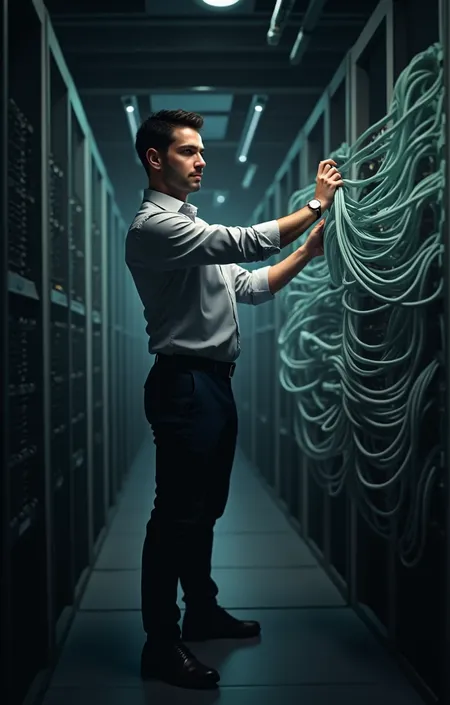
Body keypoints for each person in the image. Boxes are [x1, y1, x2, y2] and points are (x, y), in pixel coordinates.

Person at [125, 109, 343, 690]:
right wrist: (316, 205)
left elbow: (246, 286)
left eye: (201, 152)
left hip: (211, 386)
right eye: (188, 151)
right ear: (155, 159)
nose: (201, 161)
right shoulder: (155, 227)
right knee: (174, 518)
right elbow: (246, 244)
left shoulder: (192, 231)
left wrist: (306, 252)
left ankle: (201, 610)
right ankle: (160, 645)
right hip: (185, 384)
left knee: (204, 511)